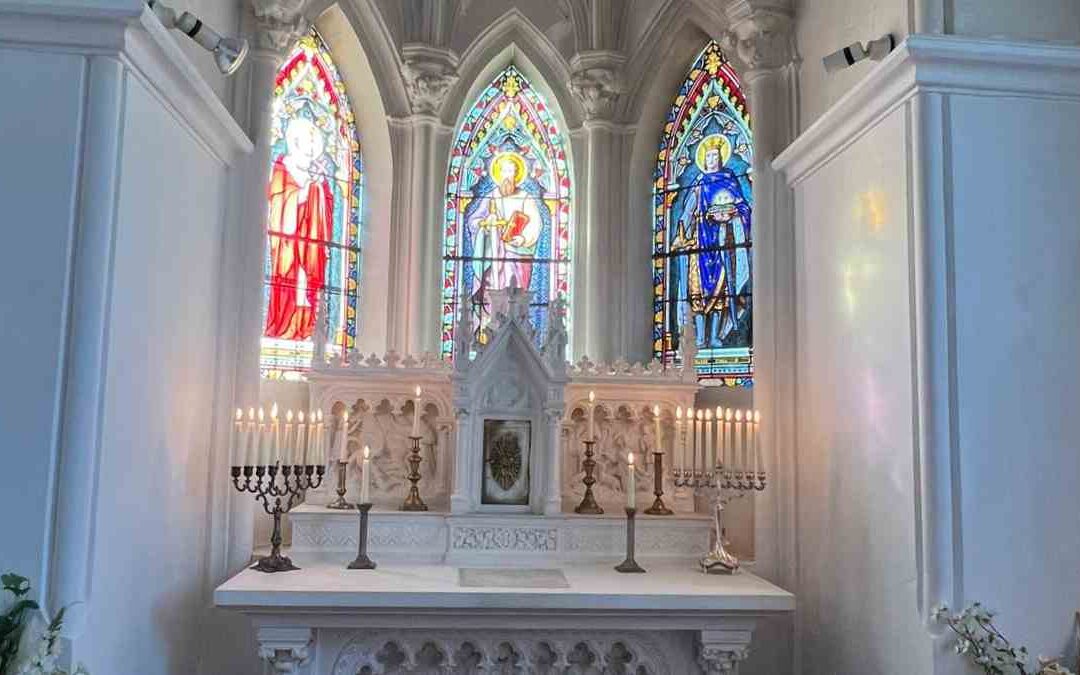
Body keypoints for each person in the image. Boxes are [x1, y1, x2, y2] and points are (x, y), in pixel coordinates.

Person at [264, 114, 332, 341]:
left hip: (310, 241)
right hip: (288, 242)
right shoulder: (282, 167)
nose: (312, 147)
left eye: (315, 143)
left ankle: (308, 329)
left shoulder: (318, 174)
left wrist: (318, 187)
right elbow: (279, 204)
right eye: (308, 141)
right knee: (289, 281)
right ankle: (282, 327)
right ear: (294, 141)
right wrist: (304, 192)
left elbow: (326, 207)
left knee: (308, 284)